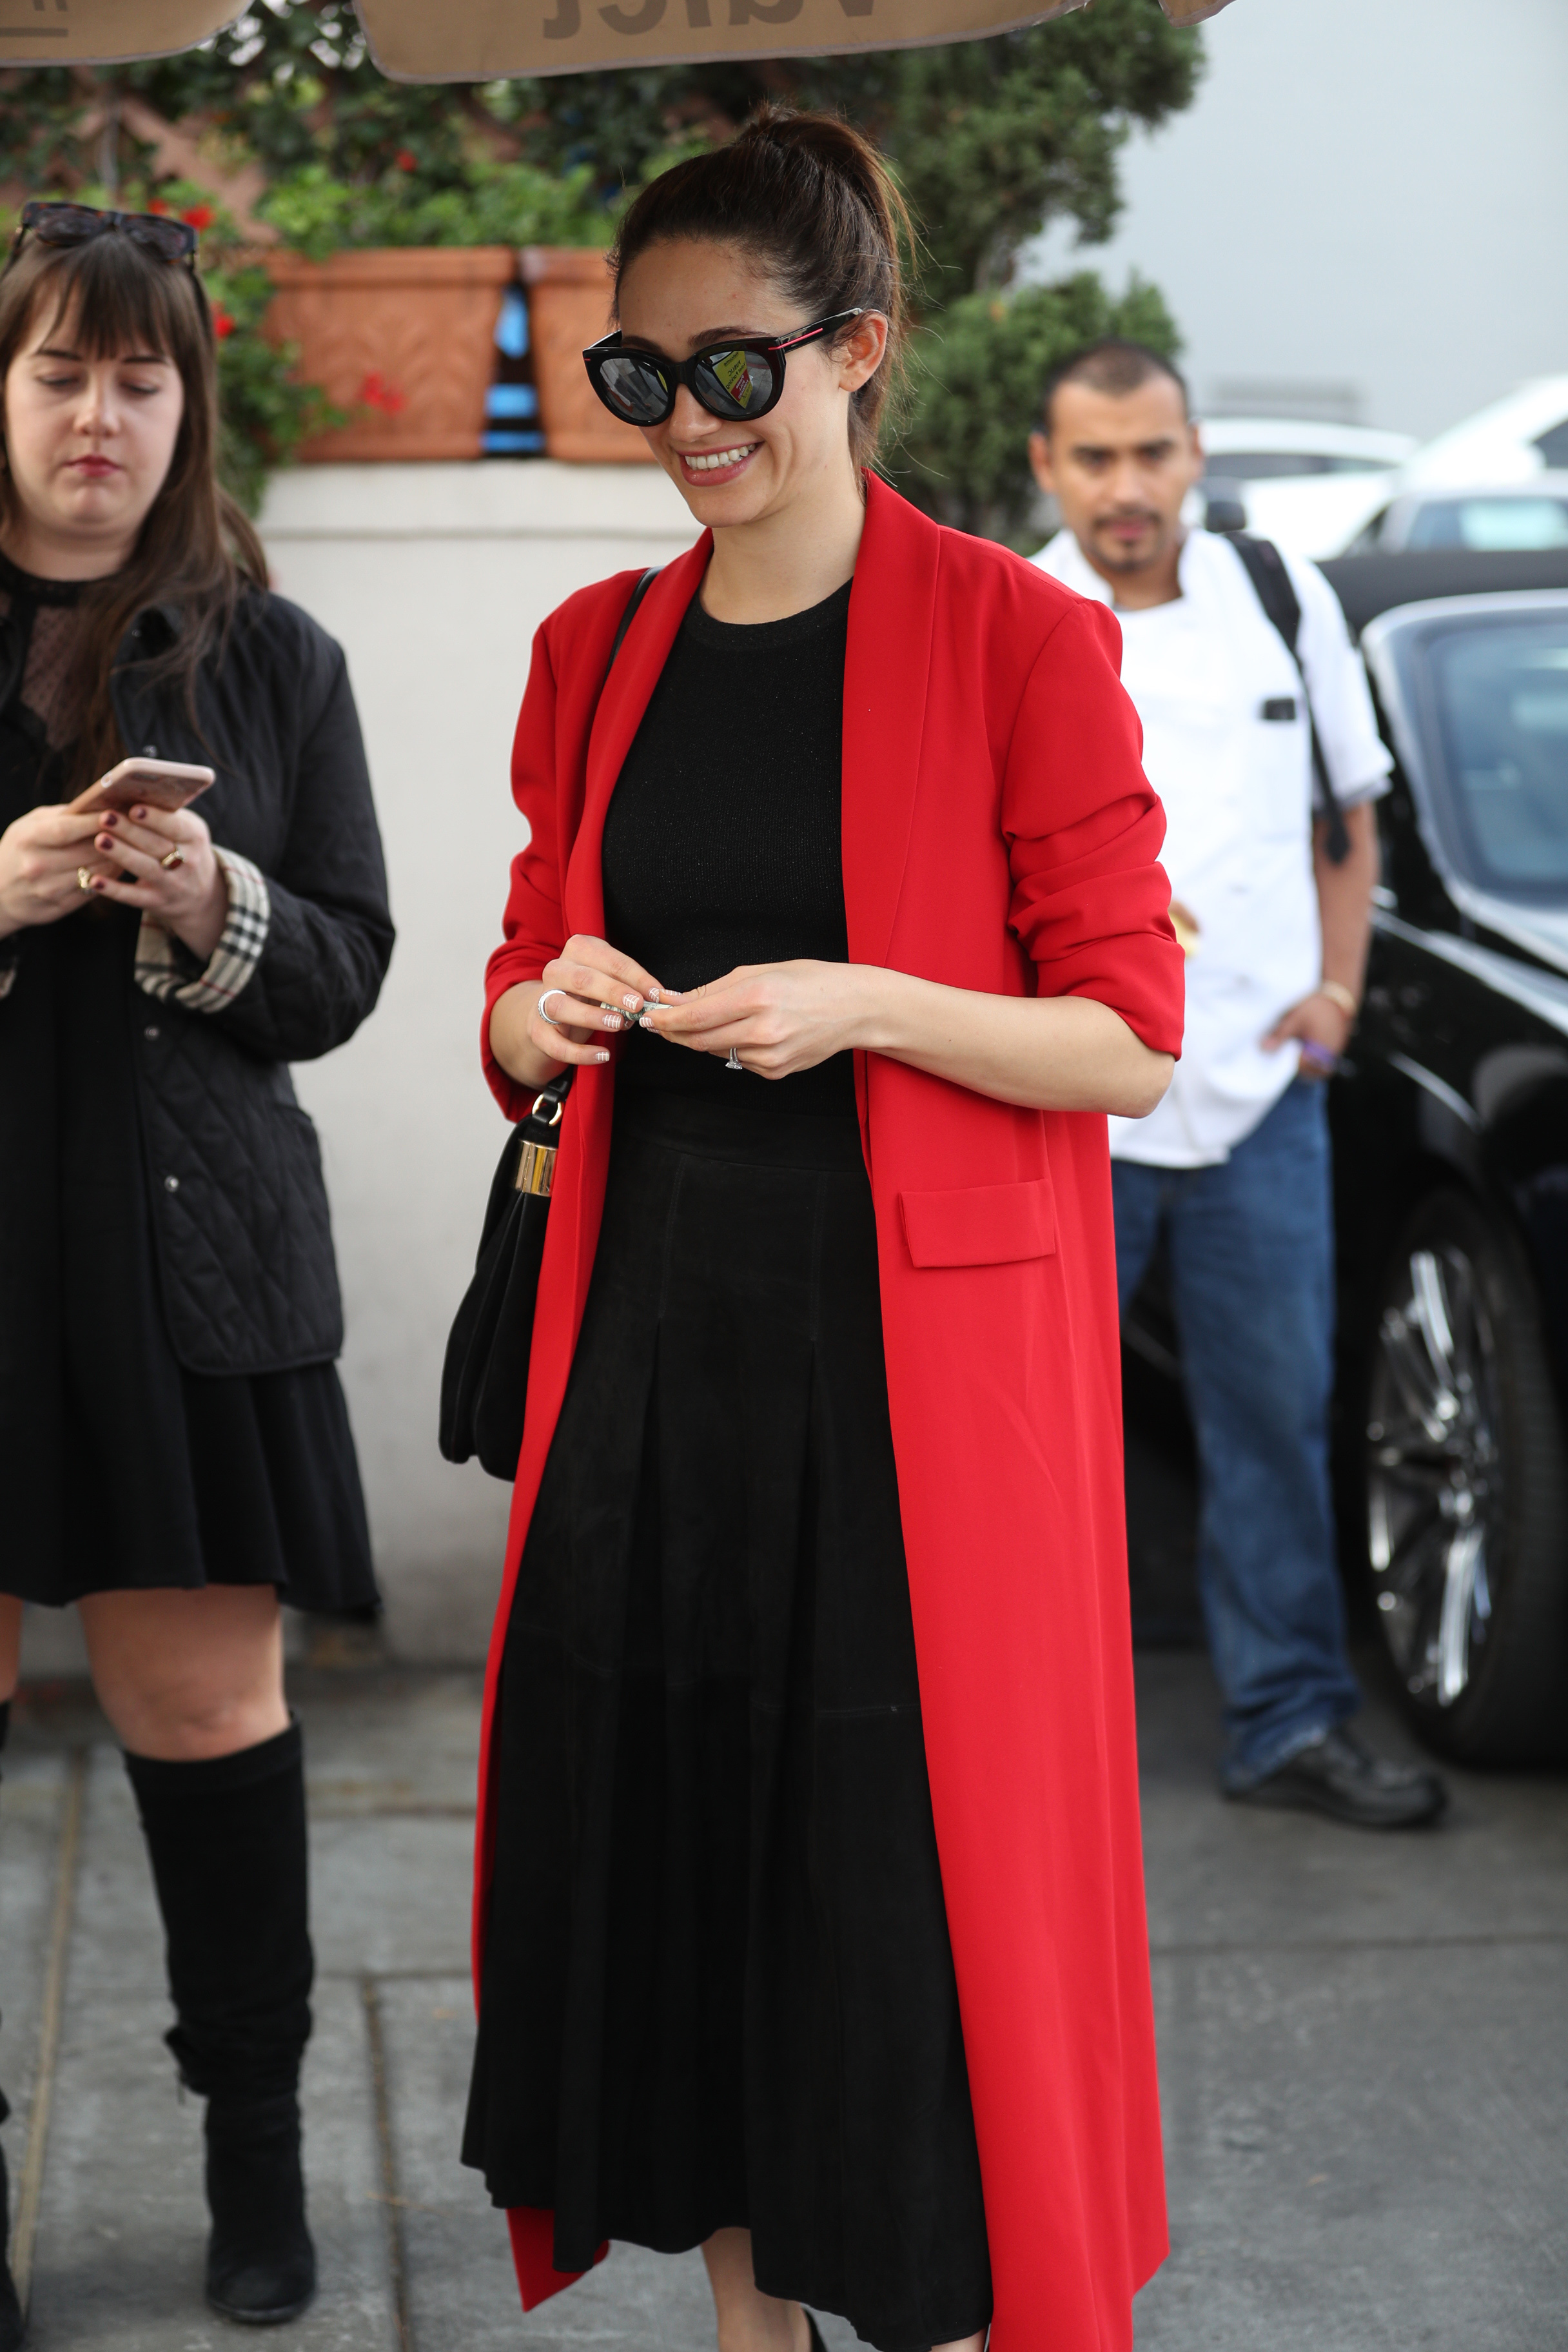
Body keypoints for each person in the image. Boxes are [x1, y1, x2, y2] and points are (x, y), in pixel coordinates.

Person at [462, 110, 1186, 2352]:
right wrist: (540, 1007)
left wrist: (868, 1003)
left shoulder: (1017, 637)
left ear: (857, 349)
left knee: (893, 1904)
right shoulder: (595, 649)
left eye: (732, 371)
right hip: (650, 1358)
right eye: (641, 377)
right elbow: (512, 983)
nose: (686, 422)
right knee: (680, 1873)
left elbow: (1127, 1040)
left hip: (912, 1394)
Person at [0, 200, 393, 2328]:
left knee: (205, 1710)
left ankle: (256, 2154)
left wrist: (205, 899)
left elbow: (344, 968)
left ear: (189, 403)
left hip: (190, 1273)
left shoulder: (273, 655)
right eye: (59, 370)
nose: (99, 415)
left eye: (138, 378)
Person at [1030, 338, 1447, 1829]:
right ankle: (1030, 1750)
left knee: (1275, 1418)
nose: (1126, 487)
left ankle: (1287, 1719)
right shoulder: (1020, 616)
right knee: (1039, 1437)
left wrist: (1335, 993)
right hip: (1078, 1107)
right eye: (1094, 458)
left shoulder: (1281, 597)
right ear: (1047, 469)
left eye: (1152, 453)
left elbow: (1347, 815)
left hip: (1266, 1095)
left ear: (1194, 453)